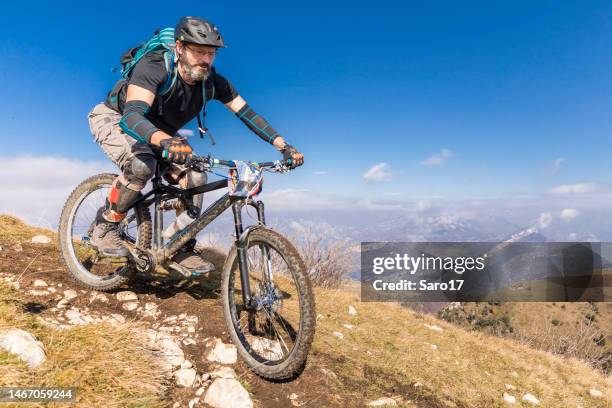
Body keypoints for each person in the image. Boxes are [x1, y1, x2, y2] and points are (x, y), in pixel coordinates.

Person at [87, 16, 303, 273]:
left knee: (197, 176)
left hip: (162, 134)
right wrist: (165, 140)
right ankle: (105, 225)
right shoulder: (154, 66)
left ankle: (176, 245)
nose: (206, 59)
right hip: (115, 118)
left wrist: (283, 146)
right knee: (142, 165)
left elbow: (248, 114)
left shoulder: (213, 83)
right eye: (199, 51)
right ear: (179, 48)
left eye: (211, 53)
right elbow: (132, 116)